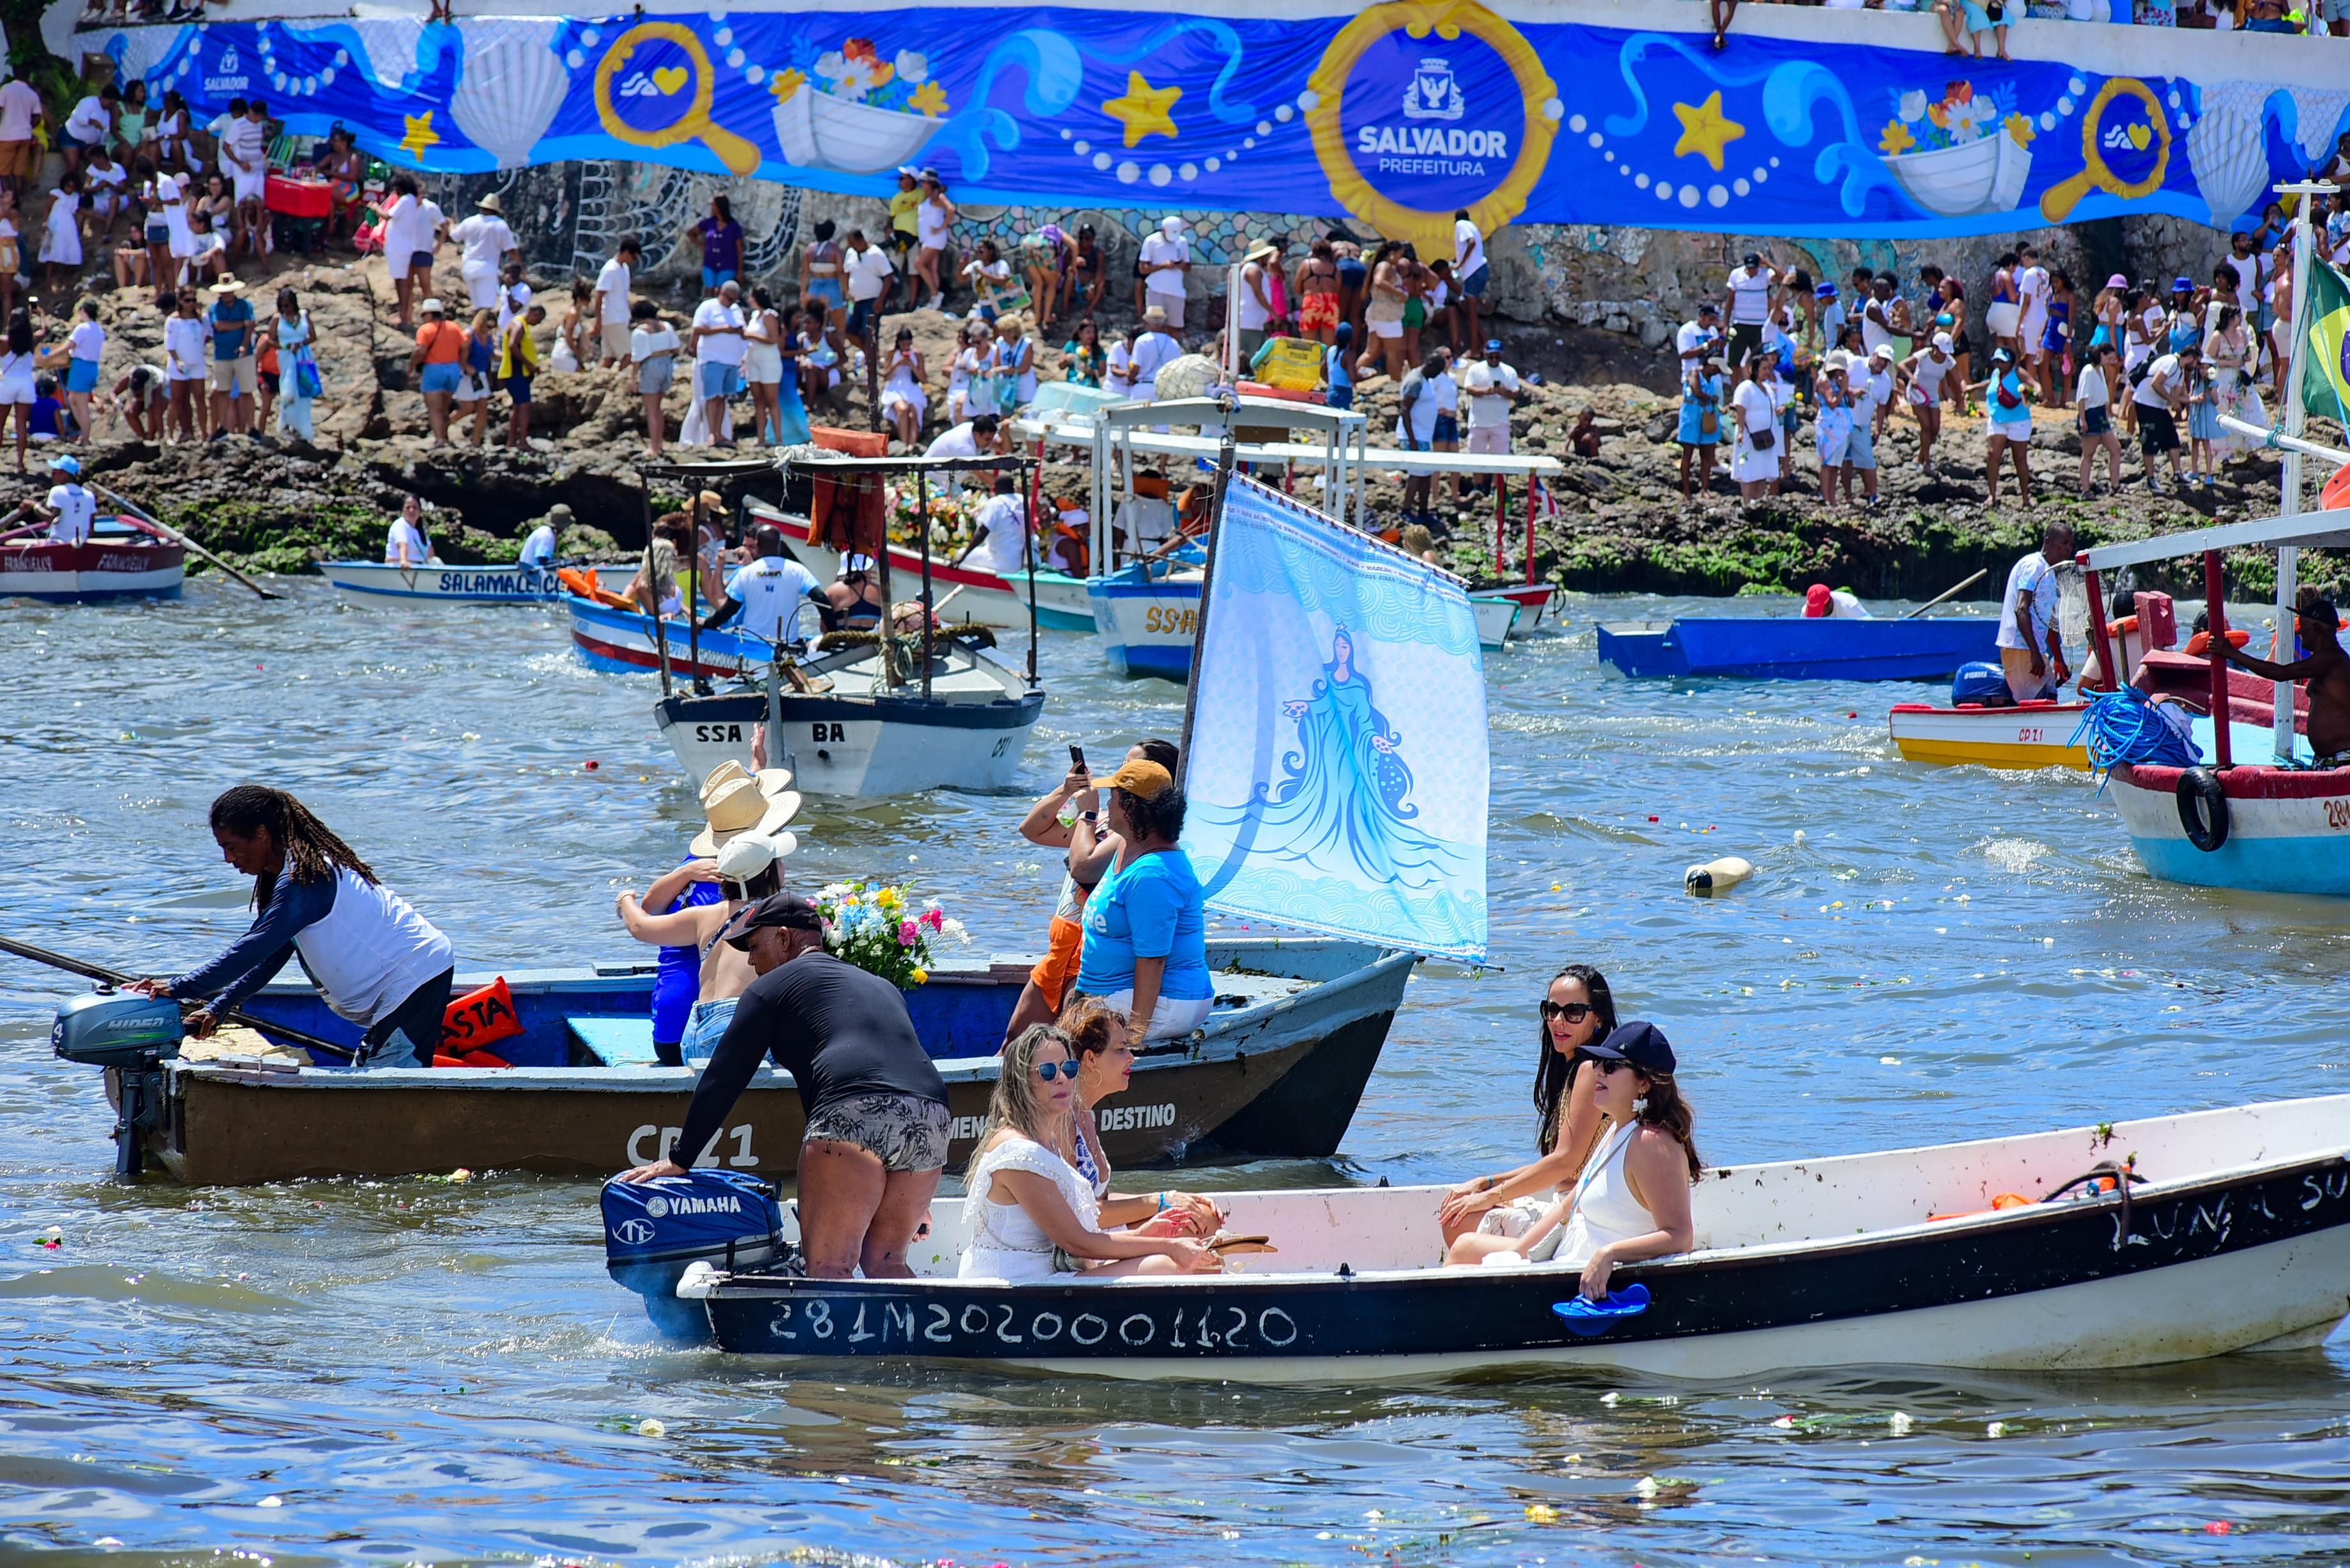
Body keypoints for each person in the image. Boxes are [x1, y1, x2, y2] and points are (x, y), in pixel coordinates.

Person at [619, 891, 953, 1281]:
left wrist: (681, 1158)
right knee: (886, 1261)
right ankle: (916, 1325)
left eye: (753, 947)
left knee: (830, 1267)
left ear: (783, 937)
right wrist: (913, 1194)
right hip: (933, 1114)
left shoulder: (770, 988)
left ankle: (829, 1325)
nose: (750, 961)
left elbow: (725, 1076)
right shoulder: (881, 985)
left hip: (852, 1110)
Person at [130, 785, 454, 1067]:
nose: (228, 858)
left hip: (414, 975)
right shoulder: (287, 876)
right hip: (398, 985)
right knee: (370, 1082)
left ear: (262, 834)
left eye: (231, 846)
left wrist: (180, 987)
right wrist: (218, 1008)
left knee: (385, 1098)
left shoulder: (306, 879)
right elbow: (270, 956)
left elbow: (253, 948)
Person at [1455, 1021, 1702, 1300]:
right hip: (1569, 1256)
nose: (1598, 1072)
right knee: (1464, 1247)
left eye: (1611, 1066)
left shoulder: (1651, 1143)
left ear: (1644, 1083)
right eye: (1598, 1063)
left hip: (1592, 1281)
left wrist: (1609, 1254)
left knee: (1463, 1254)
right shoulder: (1618, 1129)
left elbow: (1681, 1237)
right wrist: (1518, 1253)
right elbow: (1568, 1205)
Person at [958, 1023, 1220, 1280]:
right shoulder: (1018, 1152)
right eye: (1048, 1071)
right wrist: (1168, 1246)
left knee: (1187, 1251)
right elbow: (1077, 1243)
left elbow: (1078, 1237)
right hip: (1016, 1282)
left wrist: (1147, 1233)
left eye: (1069, 1069)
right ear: (1021, 1081)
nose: (1062, 1079)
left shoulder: (1048, 1141)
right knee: (1165, 1265)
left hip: (1049, 1275)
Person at [616, 766, 797, 1062]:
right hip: (716, 1029)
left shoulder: (696, 869)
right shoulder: (749, 904)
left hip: (678, 1030)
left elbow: (645, 916)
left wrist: (626, 898)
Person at [1438, 964, 1618, 1256]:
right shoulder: (1575, 1069)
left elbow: (1566, 1162)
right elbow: (1556, 1162)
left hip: (1579, 1219)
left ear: (1598, 1018)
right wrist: (1487, 1183)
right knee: (1459, 1213)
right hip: (1569, 1207)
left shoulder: (1589, 1070)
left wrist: (1491, 1195)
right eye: (1551, 1010)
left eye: (1573, 1012)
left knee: (1459, 1223)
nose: (1558, 1021)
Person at [1067, 757, 1210, 1042]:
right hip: (1119, 993)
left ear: (1131, 806)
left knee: (1065, 1040)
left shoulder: (1153, 875)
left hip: (1168, 1003)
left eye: (1113, 797)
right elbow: (1081, 864)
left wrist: (1134, 1035)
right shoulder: (1128, 845)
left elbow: (1153, 959)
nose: (1108, 804)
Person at [1056, 1000, 1222, 1234]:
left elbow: (1102, 1199)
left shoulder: (1085, 1115)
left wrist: (1173, 1198)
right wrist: (1160, 1201)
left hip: (1094, 1230)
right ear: (1091, 1059)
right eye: (1121, 1049)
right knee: (1191, 1227)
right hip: (1080, 1242)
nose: (1131, 1058)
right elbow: (1077, 1212)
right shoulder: (1063, 1122)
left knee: (1202, 1217)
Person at [2217, 591, 2350, 762]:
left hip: (2341, 759)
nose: (2300, 631)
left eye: (2303, 626)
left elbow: (2280, 673)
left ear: (2316, 629)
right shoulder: (2324, 659)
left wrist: (2231, 654)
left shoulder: (2331, 658)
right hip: (2326, 759)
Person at [701, 525, 828, 646]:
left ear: (758, 546)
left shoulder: (746, 573)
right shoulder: (798, 570)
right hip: (788, 643)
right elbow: (820, 598)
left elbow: (730, 609)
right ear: (780, 545)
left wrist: (708, 623)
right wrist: (833, 632)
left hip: (752, 643)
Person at [1996, 522, 2073, 703]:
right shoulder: (2033, 566)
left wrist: (2059, 659)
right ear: (2048, 542)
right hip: (2020, 648)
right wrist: (2034, 653)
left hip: (2036, 649)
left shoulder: (2050, 573)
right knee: (2036, 702)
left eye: (2071, 545)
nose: (2068, 549)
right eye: (2064, 544)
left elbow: (2050, 621)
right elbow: (2021, 609)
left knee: (2051, 696)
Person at [375, 177, 446, 326]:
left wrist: (439, 245)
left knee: (425, 286)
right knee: (407, 286)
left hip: (423, 251)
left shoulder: (429, 207)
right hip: (409, 250)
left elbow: (444, 225)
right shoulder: (410, 205)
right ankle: (407, 316)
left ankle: (431, 320)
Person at [691, 280, 747, 447]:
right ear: (721, 293)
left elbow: (743, 331)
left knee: (723, 397)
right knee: (713, 396)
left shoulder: (736, 310)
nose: (732, 303)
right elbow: (697, 329)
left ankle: (719, 433)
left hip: (732, 360)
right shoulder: (708, 307)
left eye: (735, 300)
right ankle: (712, 434)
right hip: (713, 358)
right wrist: (723, 329)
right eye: (730, 299)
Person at [2133, 342, 2192, 493]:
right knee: (2150, 441)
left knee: (2172, 438)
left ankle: (2178, 474)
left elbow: (2177, 396)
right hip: (2146, 403)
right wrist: (2171, 400)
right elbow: (2156, 383)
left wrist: (2194, 399)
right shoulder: (2171, 362)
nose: (2197, 366)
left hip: (2159, 406)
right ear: (2191, 358)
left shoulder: (2180, 371)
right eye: (2197, 362)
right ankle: (2150, 479)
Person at [627, 299, 679, 458]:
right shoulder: (667, 327)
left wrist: (633, 378)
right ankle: (659, 445)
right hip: (666, 364)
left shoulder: (640, 332)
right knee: (658, 408)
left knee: (651, 410)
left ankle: (654, 448)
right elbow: (676, 348)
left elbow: (637, 358)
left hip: (651, 366)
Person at [1984, 347, 2033, 506]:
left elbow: (2034, 384)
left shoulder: (2018, 372)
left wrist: (2036, 392)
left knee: (2019, 458)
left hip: (2018, 420)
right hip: (1997, 419)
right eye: (1997, 362)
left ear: (2011, 362)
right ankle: (1992, 495)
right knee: (1993, 454)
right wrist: (1974, 388)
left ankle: (2025, 497)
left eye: (2002, 362)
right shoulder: (1995, 374)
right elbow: (1991, 385)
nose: (1999, 365)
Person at [959, 472, 1030, 581]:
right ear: (1013, 488)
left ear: (994, 489)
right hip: (1021, 561)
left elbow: (982, 532)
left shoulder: (995, 502)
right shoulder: (1023, 500)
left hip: (1000, 562)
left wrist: (962, 558)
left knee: (961, 554)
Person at [1460, 338, 1522, 462]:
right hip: (1478, 423)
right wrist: (1486, 391)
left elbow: (1515, 393)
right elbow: (1469, 388)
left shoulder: (1509, 371)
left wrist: (1503, 392)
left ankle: (1496, 477)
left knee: (1500, 462)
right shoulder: (1475, 369)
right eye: (1491, 356)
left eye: (1497, 357)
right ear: (1485, 354)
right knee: (1475, 461)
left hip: (1500, 424)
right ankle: (1478, 477)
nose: (1494, 359)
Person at [1729, 349, 1778, 502]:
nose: (1767, 372)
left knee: (1762, 470)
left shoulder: (1768, 388)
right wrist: (1741, 431)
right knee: (1748, 470)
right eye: (1764, 369)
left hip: (1766, 436)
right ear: (1754, 369)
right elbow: (1740, 411)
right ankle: (1747, 501)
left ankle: (1758, 501)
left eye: (1769, 368)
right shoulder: (1746, 388)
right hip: (1749, 436)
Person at [2077, 341, 2124, 494]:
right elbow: (2082, 398)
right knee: (2088, 455)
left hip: (2101, 415)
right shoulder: (2088, 371)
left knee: (2116, 449)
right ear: (2102, 355)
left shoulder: (2100, 371)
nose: (2111, 362)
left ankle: (2115, 486)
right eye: (2109, 358)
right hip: (2091, 414)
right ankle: (2085, 489)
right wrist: (2083, 419)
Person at [273, 285, 317, 441]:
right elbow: (270, 340)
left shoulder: (303, 315)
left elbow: (313, 336)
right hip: (287, 357)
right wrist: (286, 346)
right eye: (282, 306)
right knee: (289, 390)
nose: (285, 309)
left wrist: (301, 344)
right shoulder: (278, 319)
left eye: (288, 305)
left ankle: (302, 428)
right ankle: (287, 425)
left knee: (303, 391)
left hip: (304, 358)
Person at [1678, 352, 1724, 500]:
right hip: (1692, 415)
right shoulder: (1694, 373)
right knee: (1688, 454)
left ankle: (1705, 489)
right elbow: (1696, 391)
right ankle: (1686, 491)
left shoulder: (1712, 380)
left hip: (1707, 415)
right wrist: (1711, 398)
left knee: (1707, 455)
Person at [499, 299, 544, 448]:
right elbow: (513, 345)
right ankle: (522, 441)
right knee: (525, 406)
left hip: (520, 374)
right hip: (515, 372)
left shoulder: (523, 325)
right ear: (534, 313)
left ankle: (512, 442)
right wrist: (529, 364)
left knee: (518, 407)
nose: (538, 323)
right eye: (539, 319)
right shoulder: (519, 325)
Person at [1722, 250, 1777, 371]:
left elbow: (1782, 277)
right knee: (1734, 361)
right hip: (1740, 323)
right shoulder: (1736, 274)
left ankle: (1756, 381)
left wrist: (1767, 262)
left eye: (1755, 268)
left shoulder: (1766, 274)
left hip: (1759, 326)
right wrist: (1726, 323)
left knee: (1759, 359)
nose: (1753, 271)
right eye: (1750, 268)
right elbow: (1730, 300)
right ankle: (1735, 383)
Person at [842, 227, 895, 345]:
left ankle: (872, 353)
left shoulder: (876, 253)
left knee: (869, 333)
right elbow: (846, 272)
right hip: (855, 301)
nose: (852, 247)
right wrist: (847, 291)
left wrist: (881, 300)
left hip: (872, 300)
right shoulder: (851, 253)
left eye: (854, 244)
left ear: (861, 240)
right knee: (849, 330)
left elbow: (888, 276)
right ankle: (867, 352)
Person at [877, 326, 928, 448]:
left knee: (913, 414)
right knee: (903, 410)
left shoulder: (917, 354)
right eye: (903, 344)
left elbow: (924, 379)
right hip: (896, 387)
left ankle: (912, 446)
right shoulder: (892, 353)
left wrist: (912, 365)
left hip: (912, 387)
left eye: (908, 344)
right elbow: (887, 377)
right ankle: (904, 445)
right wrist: (897, 364)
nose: (906, 347)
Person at [914, 169, 956, 313]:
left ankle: (936, 293)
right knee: (933, 269)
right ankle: (935, 300)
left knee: (919, 264)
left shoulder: (939, 197)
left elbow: (951, 209)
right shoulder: (929, 198)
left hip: (935, 238)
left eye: (924, 182)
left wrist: (942, 227)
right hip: (928, 238)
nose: (921, 184)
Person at [0, 70, 43, 197]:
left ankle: (10, 201)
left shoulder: (6, 89)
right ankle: (19, 200)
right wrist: (28, 127)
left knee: (3, 172)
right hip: (25, 136)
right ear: (28, 77)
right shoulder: (32, 94)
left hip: (7, 135)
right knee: (19, 173)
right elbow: (37, 118)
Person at [1452, 207, 1487, 353]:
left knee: (1472, 312)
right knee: (1466, 306)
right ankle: (1484, 342)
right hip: (1479, 269)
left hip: (1473, 271)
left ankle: (1474, 350)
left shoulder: (1461, 225)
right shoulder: (1473, 226)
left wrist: (1460, 264)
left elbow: (1471, 243)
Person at [1128, 306, 1181, 403]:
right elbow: (1178, 369)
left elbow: (1136, 368)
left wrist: (1130, 378)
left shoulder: (1142, 341)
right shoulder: (1173, 343)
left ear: (1147, 323)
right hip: (1165, 388)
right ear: (1164, 323)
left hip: (1144, 386)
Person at [112, 363, 168, 441]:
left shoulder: (157, 384)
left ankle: (151, 438)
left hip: (163, 390)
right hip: (146, 389)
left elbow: (157, 414)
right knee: (129, 412)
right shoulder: (131, 376)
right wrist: (115, 401)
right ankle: (143, 438)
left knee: (152, 412)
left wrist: (162, 437)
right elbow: (113, 392)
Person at [925, 410, 1003, 460]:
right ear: (976, 434)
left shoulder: (975, 428)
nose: (990, 442)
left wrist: (1005, 433)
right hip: (928, 478)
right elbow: (980, 474)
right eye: (987, 440)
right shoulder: (964, 447)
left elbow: (1004, 449)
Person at [385, 494, 435, 567]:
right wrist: (403, 561)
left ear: (420, 512)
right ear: (403, 510)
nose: (411, 510)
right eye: (408, 507)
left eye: (415, 507)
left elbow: (430, 553)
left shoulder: (421, 529)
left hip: (420, 568)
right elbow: (402, 545)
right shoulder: (400, 525)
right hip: (400, 568)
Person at [1802, 582, 1870, 617]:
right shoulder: (1805, 611)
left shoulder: (1849, 604)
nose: (1816, 617)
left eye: (1818, 612)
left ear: (1829, 604)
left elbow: (1870, 626)